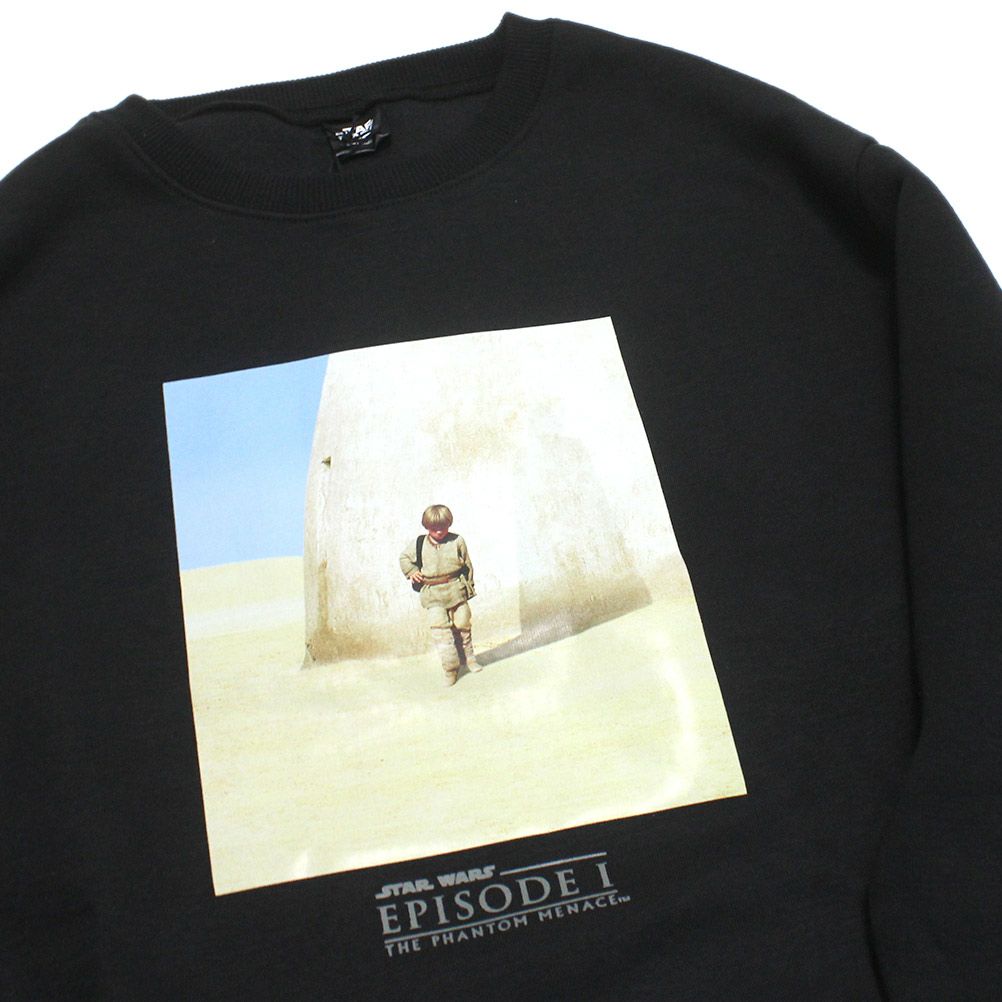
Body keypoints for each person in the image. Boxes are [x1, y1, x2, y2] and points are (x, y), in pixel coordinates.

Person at [400, 504, 481, 686]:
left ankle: (468, 659)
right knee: (441, 633)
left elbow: (467, 565)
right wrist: (412, 572)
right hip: (433, 595)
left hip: (455, 589)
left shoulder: (457, 541)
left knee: (463, 626)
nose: (439, 532)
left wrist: (468, 588)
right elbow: (404, 558)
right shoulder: (419, 543)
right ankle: (450, 670)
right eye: (434, 528)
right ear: (426, 526)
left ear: (449, 524)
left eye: (443, 527)